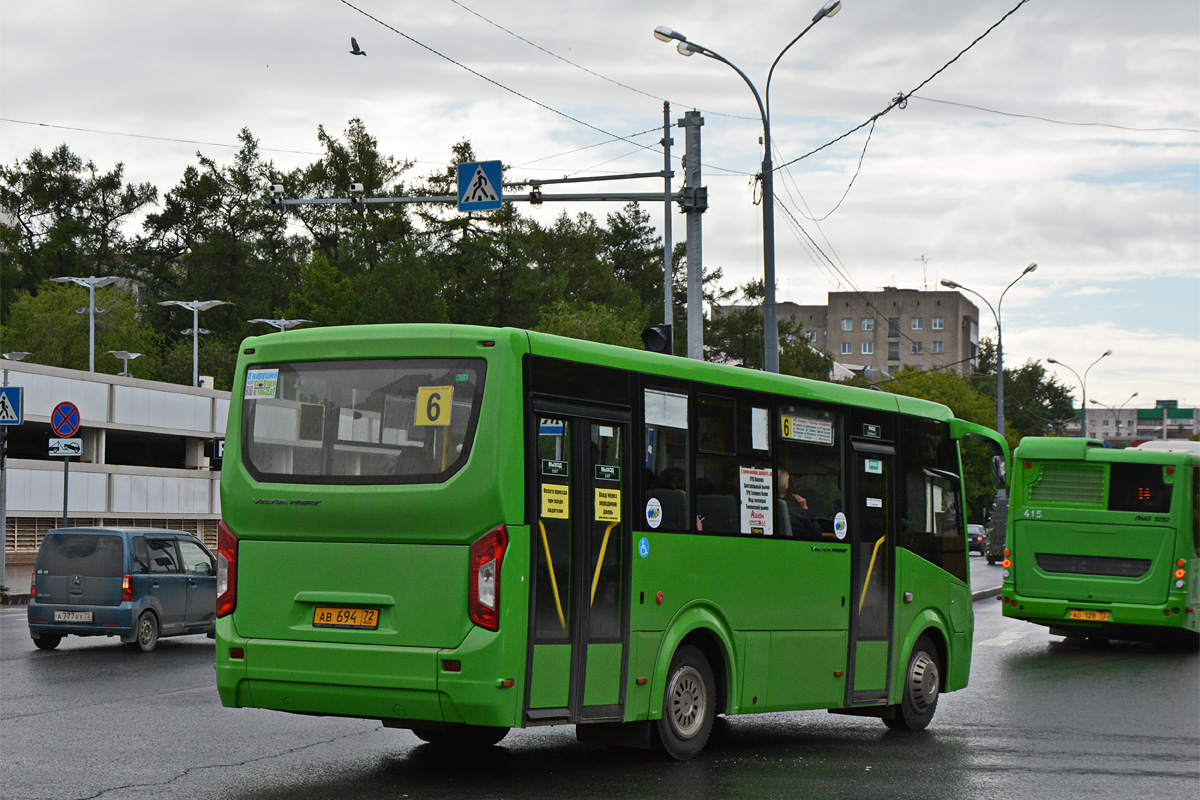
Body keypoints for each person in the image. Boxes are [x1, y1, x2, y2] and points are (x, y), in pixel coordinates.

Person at [777, 467, 821, 539]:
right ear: (786, 487)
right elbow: (817, 534)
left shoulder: (763, 507)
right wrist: (805, 509)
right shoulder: (796, 514)